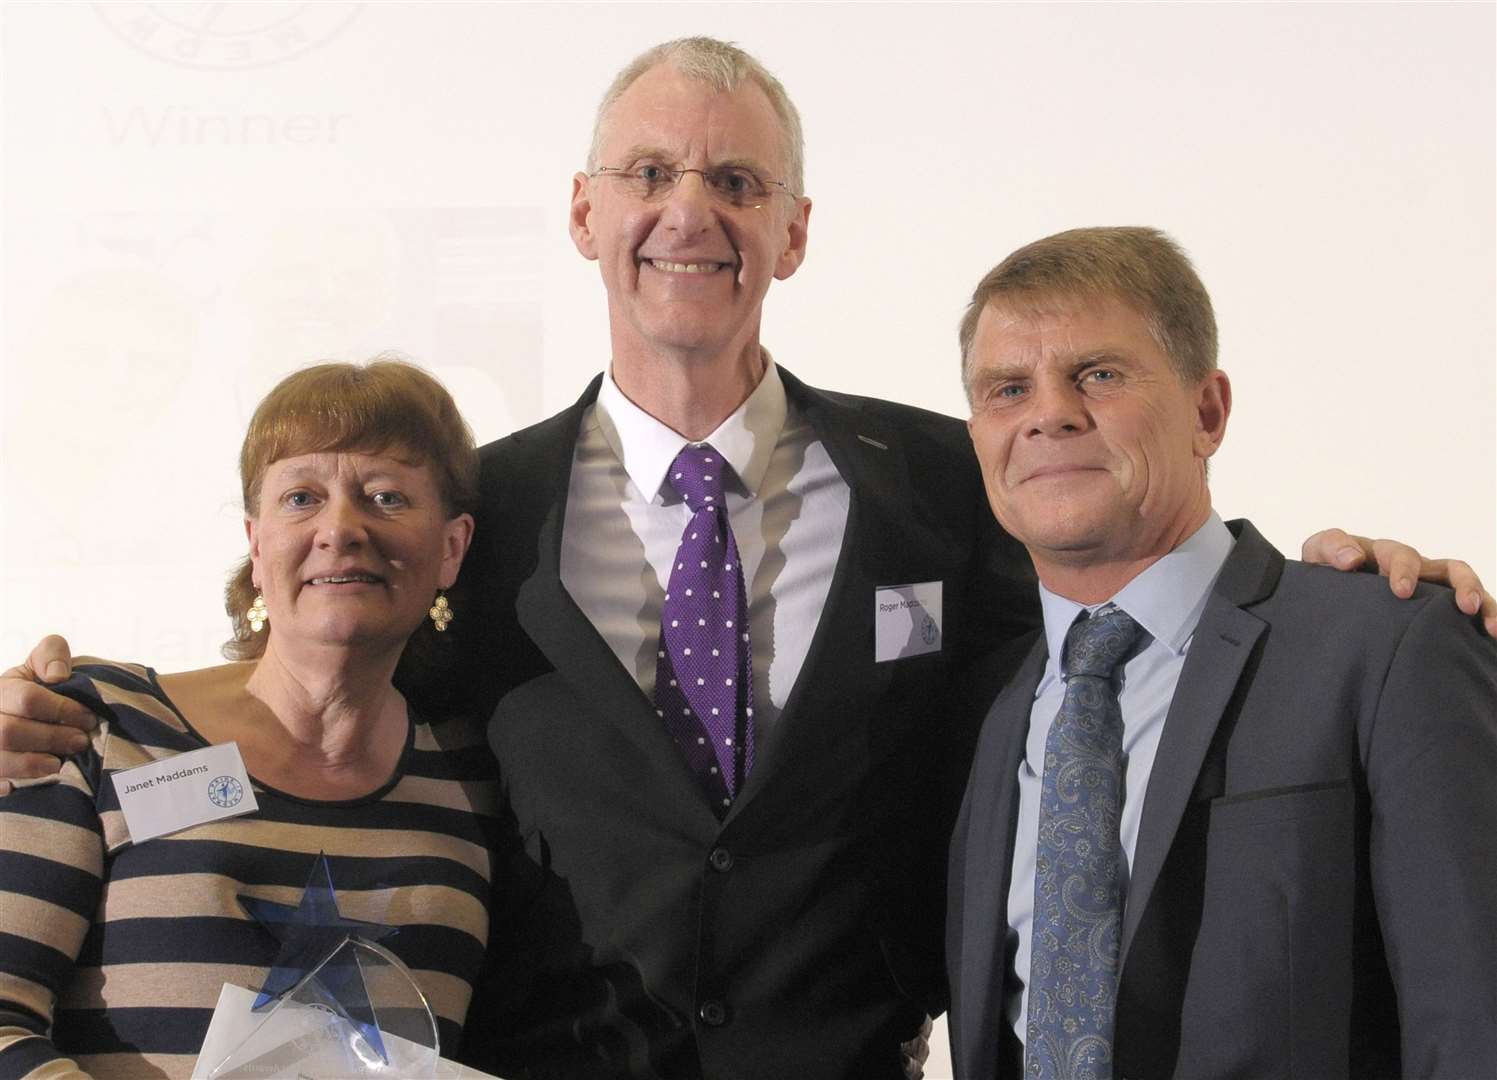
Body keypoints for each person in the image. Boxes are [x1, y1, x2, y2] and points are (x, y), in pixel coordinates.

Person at [1, 40, 1492, 1080]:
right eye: (649, 171)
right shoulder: (472, 514)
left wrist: (1345, 576)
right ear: (585, 213)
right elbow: (310, 679)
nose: (690, 210)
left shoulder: (946, 476)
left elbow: (1134, 585)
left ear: (794, 229)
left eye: (735, 181)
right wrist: (71, 711)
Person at [946, 226, 1497, 1080]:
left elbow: (1473, 1026)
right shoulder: (986, 708)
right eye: (1007, 389)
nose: (1047, 413)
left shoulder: (1388, 645)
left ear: (1207, 412)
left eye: (1096, 374)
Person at [0, 361, 497, 1078]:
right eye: (301, 497)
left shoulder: (476, 785)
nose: (341, 528)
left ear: (451, 548)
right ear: (257, 545)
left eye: (386, 496)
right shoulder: (100, 724)